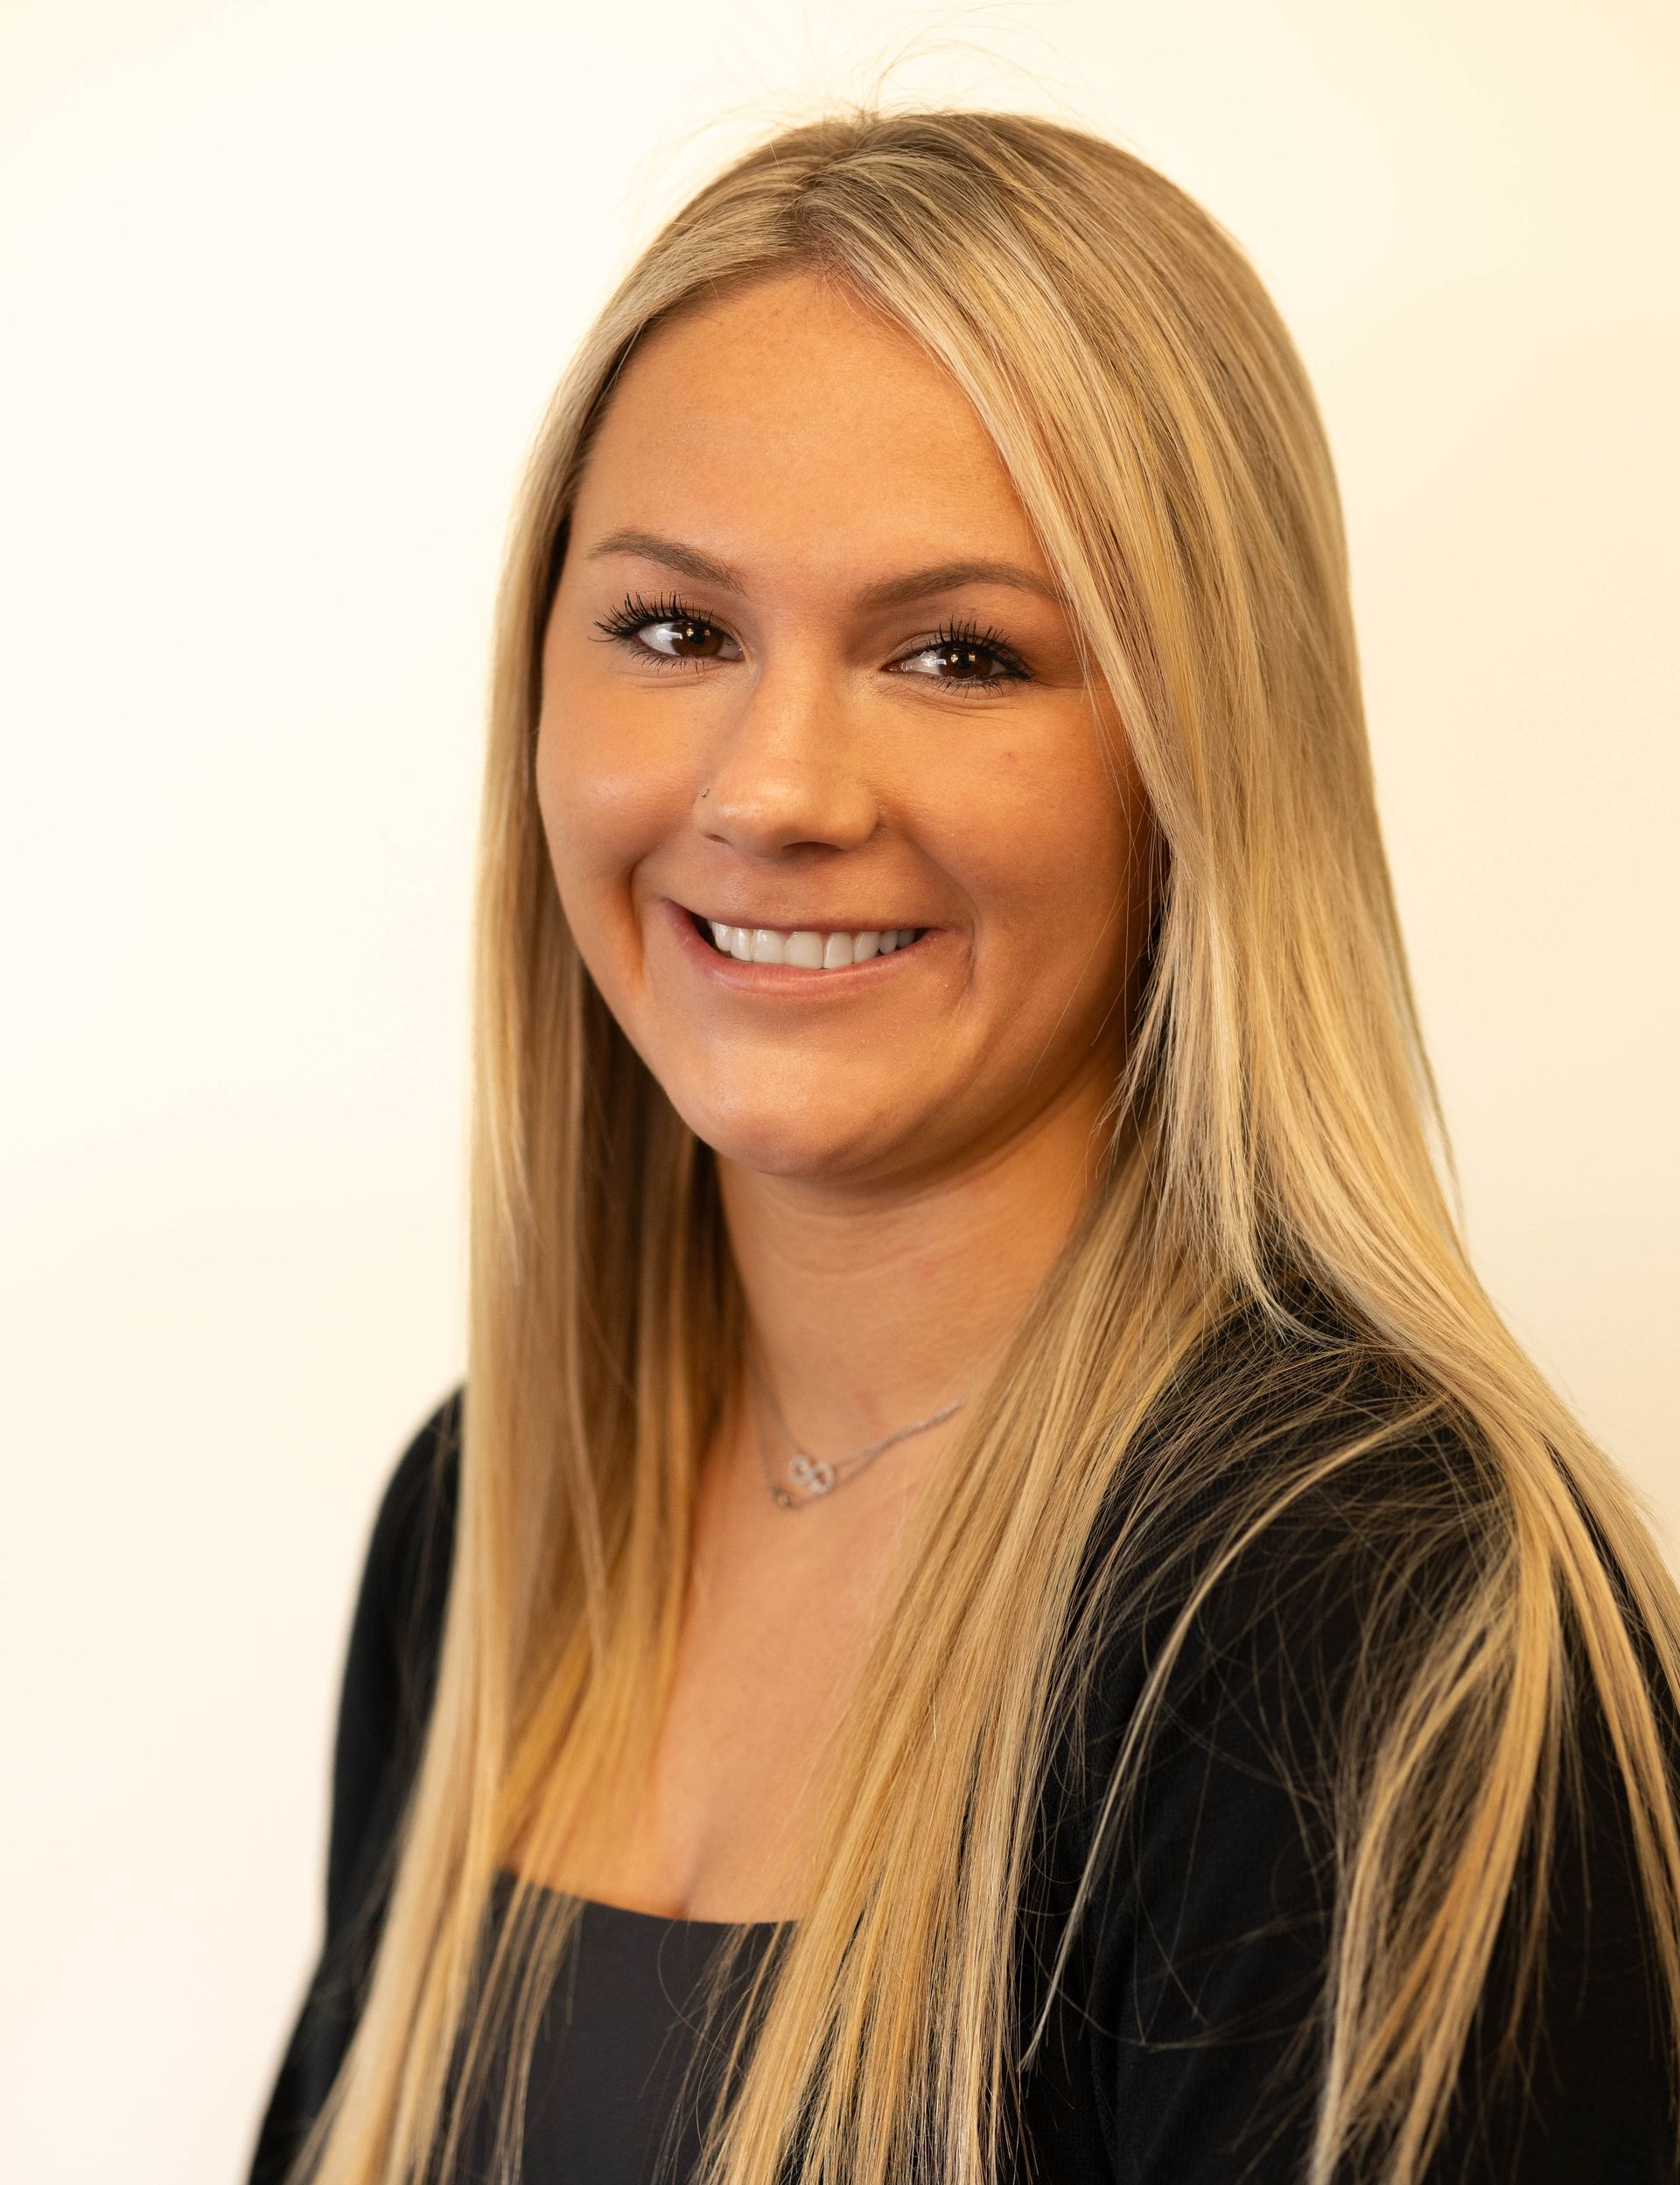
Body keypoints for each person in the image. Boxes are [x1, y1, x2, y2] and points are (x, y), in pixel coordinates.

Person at [247, 105, 1680, 2185]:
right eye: (675, 629)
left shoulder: (1377, 1623)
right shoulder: (488, 1516)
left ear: (1198, 758)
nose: (774, 790)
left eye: (957, 655)